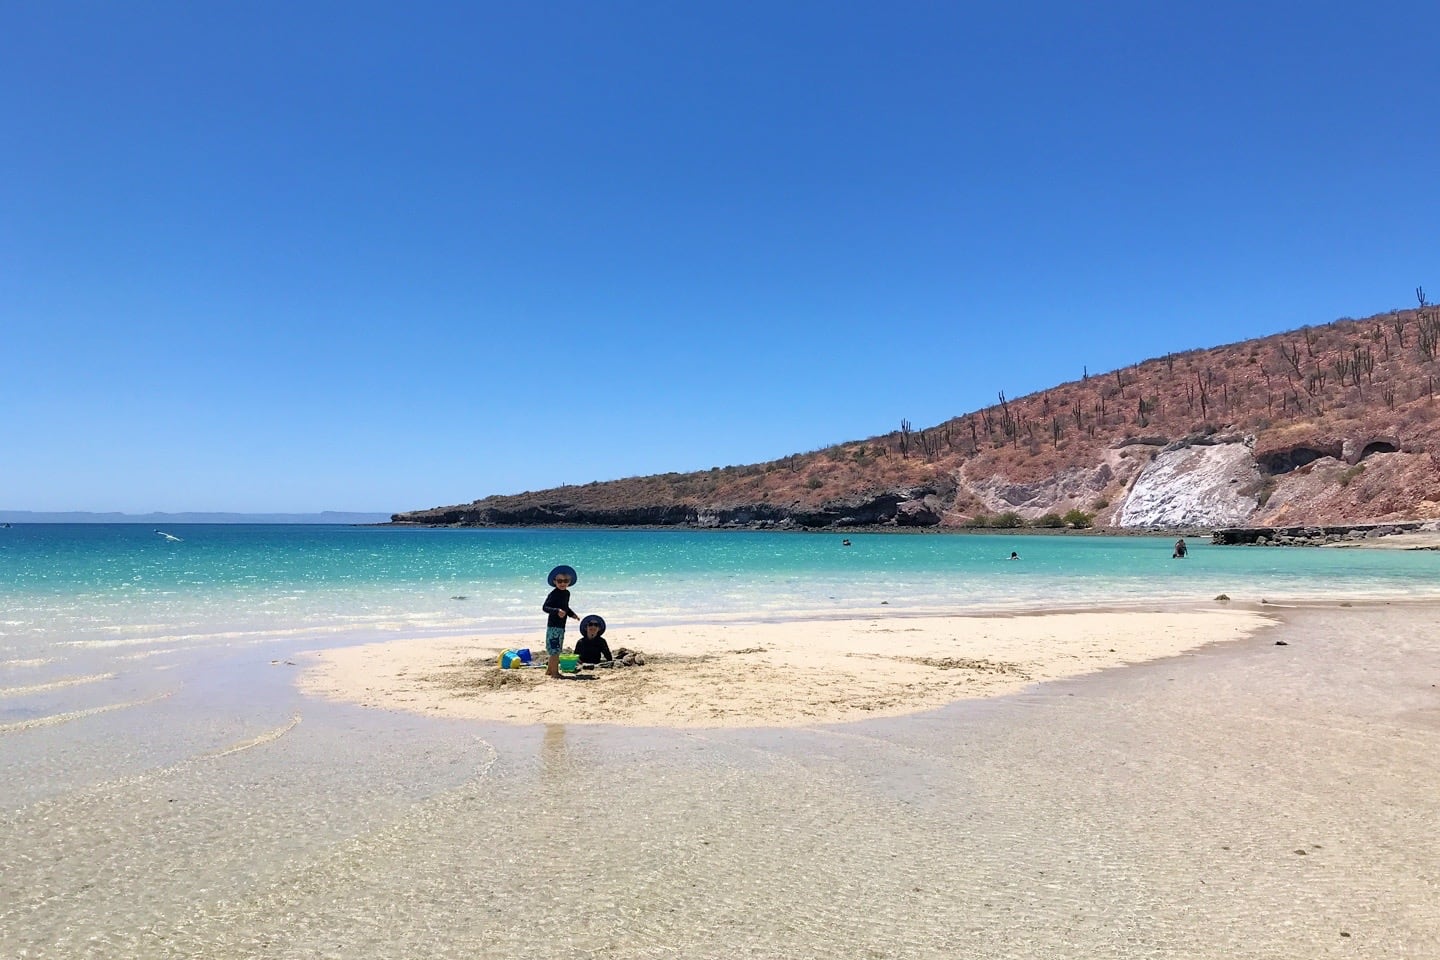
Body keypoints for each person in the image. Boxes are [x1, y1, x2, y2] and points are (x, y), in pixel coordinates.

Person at [541, 565, 579, 678]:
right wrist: (556, 611)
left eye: (565, 581)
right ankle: (555, 672)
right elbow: (545, 607)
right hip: (553, 626)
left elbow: (565, 607)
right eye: (559, 581)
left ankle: (549, 670)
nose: (562, 583)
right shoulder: (554, 594)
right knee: (555, 650)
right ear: (554, 581)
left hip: (561, 626)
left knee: (556, 648)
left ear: (569, 582)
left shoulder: (566, 593)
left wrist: (572, 614)